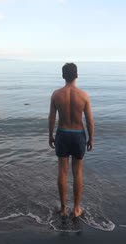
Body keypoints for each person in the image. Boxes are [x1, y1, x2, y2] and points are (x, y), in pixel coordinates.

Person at [48, 62, 94, 218]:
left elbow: (52, 118)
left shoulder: (56, 95)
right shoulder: (84, 95)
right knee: (77, 172)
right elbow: (89, 120)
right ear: (77, 75)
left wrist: (50, 135)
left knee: (62, 171)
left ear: (63, 76)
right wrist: (91, 139)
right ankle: (76, 209)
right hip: (78, 134)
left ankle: (63, 209)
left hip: (62, 133)